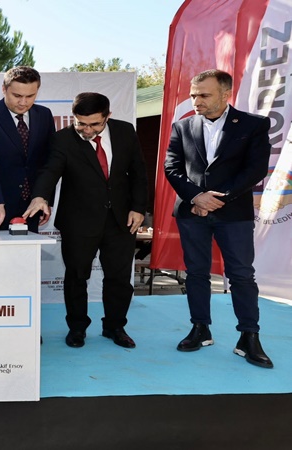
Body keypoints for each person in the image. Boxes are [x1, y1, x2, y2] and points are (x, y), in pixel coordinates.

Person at [164, 69, 273, 369]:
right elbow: (172, 168)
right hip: (192, 212)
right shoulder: (182, 126)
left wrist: (215, 199)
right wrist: (196, 198)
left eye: (203, 94)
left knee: (240, 275)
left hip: (233, 213)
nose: (195, 100)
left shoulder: (253, 125)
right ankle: (200, 329)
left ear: (225, 95)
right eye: (193, 94)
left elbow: (254, 170)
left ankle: (249, 336)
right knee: (196, 273)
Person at [24, 92, 147, 349]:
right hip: (78, 221)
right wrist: (40, 197)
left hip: (121, 220)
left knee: (119, 278)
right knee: (77, 277)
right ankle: (77, 328)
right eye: (80, 123)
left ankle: (115, 327)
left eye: (94, 124)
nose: (86, 130)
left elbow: (138, 172)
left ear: (108, 117)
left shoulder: (125, 132)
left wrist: (138, 208)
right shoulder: (63, 139)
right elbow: (50, 171)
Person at [0, 66, 55, 231]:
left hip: (31, 207)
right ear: (4, 89)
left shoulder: (44, 115)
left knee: (28, 256)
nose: (23, 102)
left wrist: (43, 198)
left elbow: (48, 162)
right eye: (17, 96)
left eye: (30, 96)